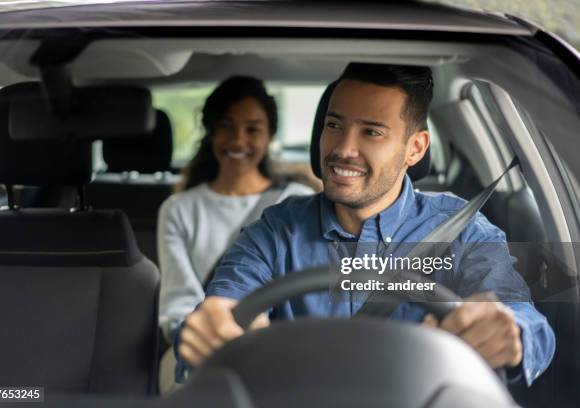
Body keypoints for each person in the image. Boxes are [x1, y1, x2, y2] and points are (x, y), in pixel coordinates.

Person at [174, 64, 555, 386]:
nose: (343, 149)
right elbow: (224, 305)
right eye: (335, 125)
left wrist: (511, 334)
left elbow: (528, 325)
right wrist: (212, 328)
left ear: (416, 148)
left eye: (371, 132)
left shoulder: (464, 230)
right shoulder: (277, 229)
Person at [157, 76, 314, 343]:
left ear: (269, 136)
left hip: (282, 343)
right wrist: (207, 339)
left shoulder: (298, 201)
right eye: (226, 126)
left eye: (252, 130)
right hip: (205, 345)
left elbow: (307, 295)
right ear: (211, 132)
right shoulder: (179, 209)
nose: (238, 140)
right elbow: (178, 304)